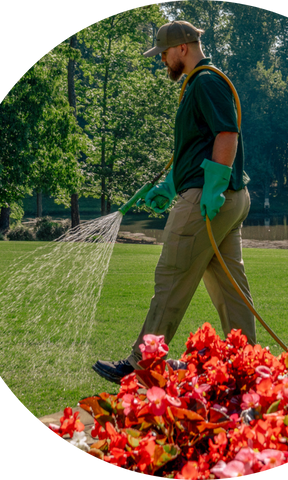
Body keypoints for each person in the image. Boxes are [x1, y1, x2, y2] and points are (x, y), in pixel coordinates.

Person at [93, 20, 256, 383]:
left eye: (163, 53)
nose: (162, 60)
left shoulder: (207, 81)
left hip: (207, 199)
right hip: (224, 199)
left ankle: (142, 365)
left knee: (171, 277)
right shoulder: (197, 84)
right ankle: (246, 365)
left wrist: (212, 186)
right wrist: (169, 186)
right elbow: (194, 146)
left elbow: (227, 134)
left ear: (182, 48)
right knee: (231, 289)